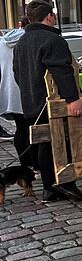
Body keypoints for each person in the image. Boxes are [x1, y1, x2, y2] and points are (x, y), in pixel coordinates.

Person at [13, 1, 82, 203]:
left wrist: (29, 93)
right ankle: (63, 184)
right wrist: (72, 99)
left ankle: (50, 188)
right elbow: (62, 71)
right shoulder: (52, 40)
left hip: (32, 101)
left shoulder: (22, 42)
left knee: (44, 143)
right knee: (62, 141)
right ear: (50, 16)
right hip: (51, 102)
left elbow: (17, 74)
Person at [0, 17, 36, 169]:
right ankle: (36, 165)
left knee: (20, 128)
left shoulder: (2, 42)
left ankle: (25, 164)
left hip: (10, 92)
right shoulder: (30, 40)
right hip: (28, 90)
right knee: (34, 129)